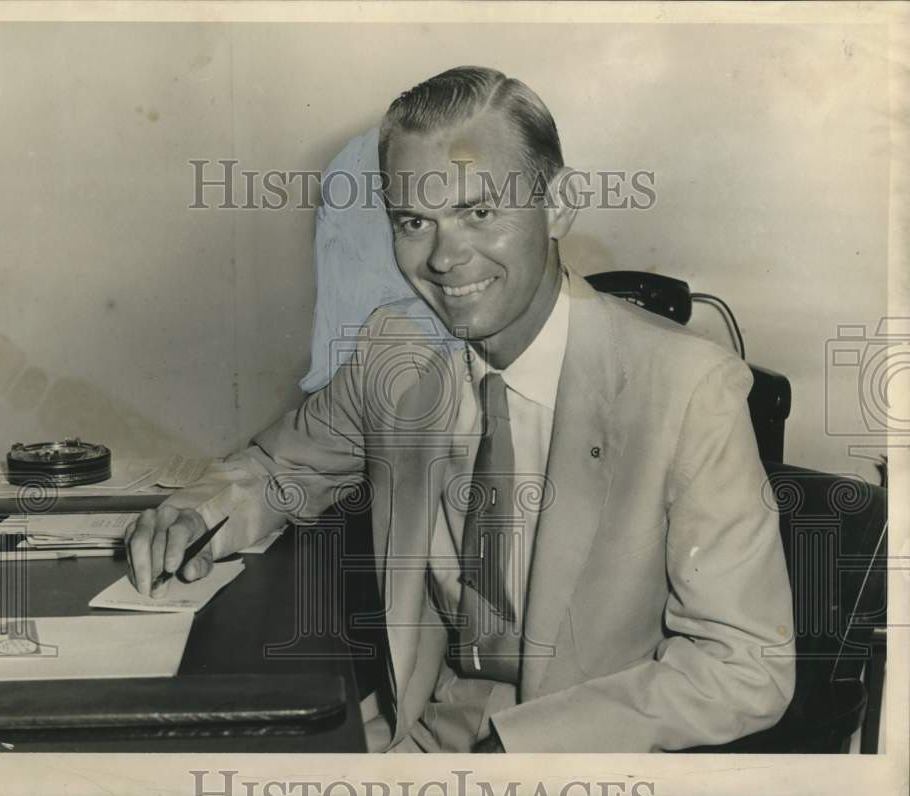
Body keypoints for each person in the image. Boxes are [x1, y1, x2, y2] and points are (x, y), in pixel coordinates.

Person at [125, 66, 795, 753]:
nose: (445, 258)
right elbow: (275, 470)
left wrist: (523, 745)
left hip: (588, 752)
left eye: (480, 212)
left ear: (557, 204)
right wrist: (198, 512)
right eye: (415, 221)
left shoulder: (687, 388)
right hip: (419, 738)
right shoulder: (396, 355)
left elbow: (745, 666)